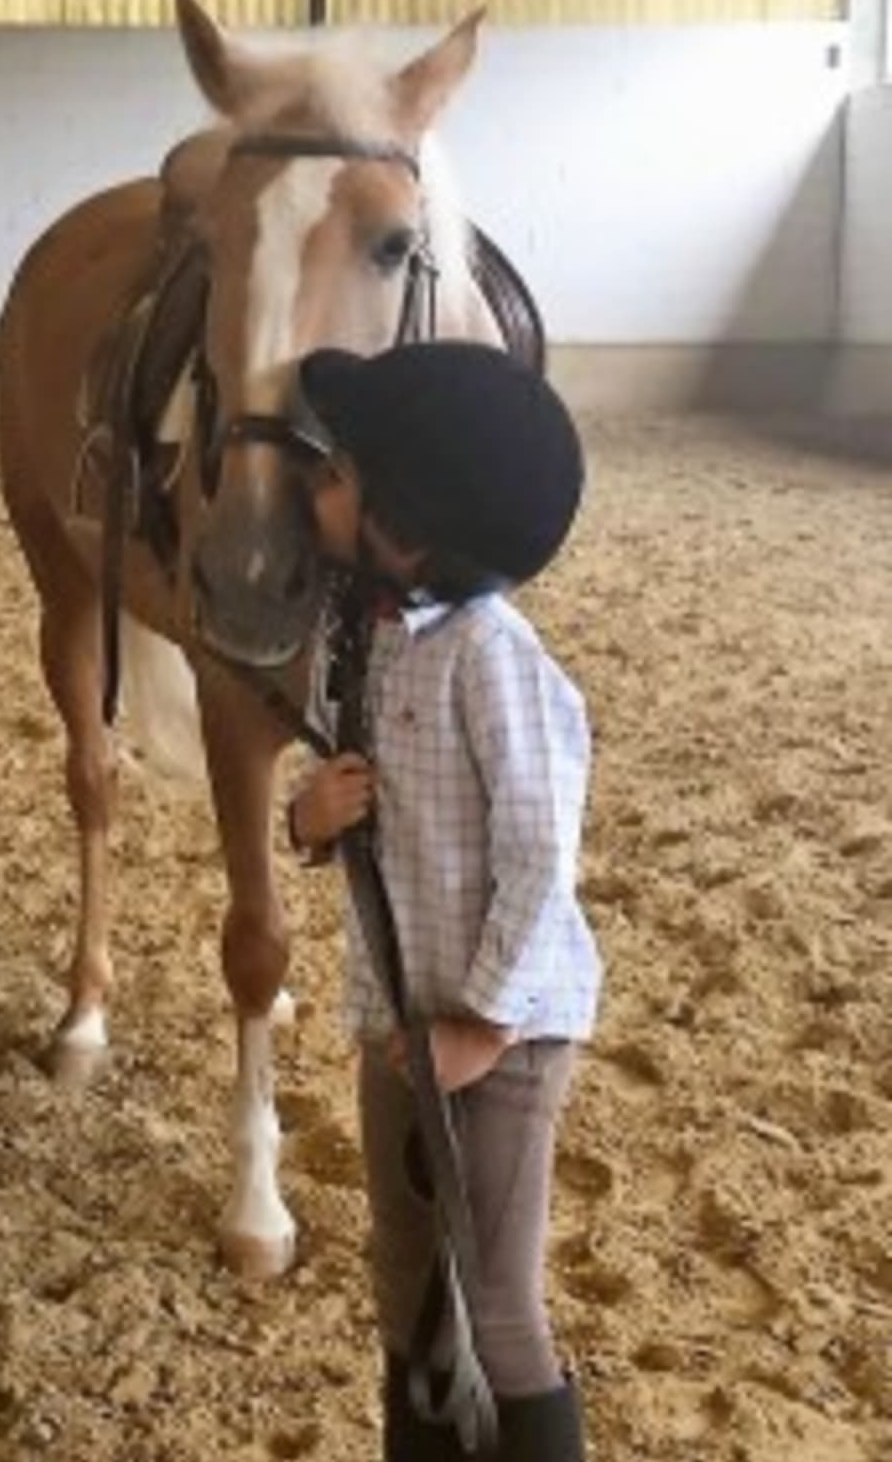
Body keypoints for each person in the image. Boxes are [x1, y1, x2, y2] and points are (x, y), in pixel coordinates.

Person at [286, 341, 601, 1462]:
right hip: (396, 1019)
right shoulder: (363, 634)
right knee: (405, 1276)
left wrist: (482, 1019)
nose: (313, 489)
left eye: (338, 473)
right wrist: (307, 818)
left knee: (500, 1299)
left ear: (405, 527)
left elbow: (539, 856)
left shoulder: (494, 658)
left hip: (501, 1038)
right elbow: (347, 789)